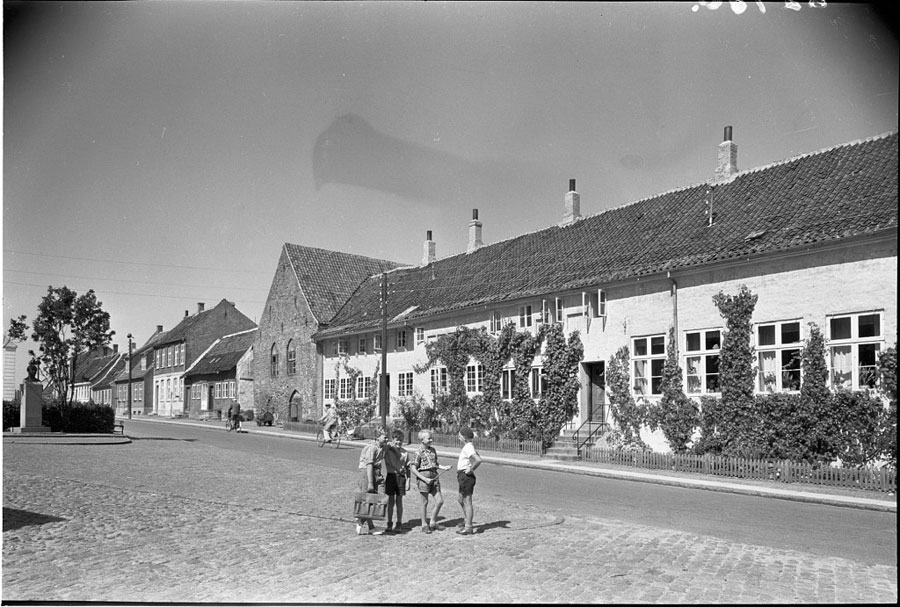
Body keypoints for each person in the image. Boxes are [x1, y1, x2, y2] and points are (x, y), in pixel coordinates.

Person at [408, 429, 451, 534]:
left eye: (431, 438)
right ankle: (424, 524)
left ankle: (432, 522)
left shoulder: (433, 450)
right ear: (422, 440)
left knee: (440, 501)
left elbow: (435, 464)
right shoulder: (418, 453)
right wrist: (424, 479)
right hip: (424, 479)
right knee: (424, 502)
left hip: (434, 477)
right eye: (429, 438)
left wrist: (444, 467)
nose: (431, 440)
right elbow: (413, 468)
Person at [355, 428, 388, 536]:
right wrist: (370, 482)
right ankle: (370, 526)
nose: (387, 439)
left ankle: (361, 519)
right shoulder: (372, 448)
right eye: (385, 437)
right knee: (368, 498)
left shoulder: (381, 447)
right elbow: (369, 465)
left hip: (377, 472)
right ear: (377, 437)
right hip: (367, 472)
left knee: (380, 497)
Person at [455, 426, 483, 535]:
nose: (459, 437)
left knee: (467, 501)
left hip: (466, 477)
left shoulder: (468, 447)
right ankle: (467, 520)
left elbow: (478, 459)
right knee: (460, 500)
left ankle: (469, 526)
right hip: (462, 476)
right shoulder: (469, 446)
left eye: (460, 436)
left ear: (464, 437)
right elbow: (476, 456)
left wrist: (471, 470)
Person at [383, 429, 410, 533]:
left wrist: (408, 480)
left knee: (399, 501)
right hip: (391, 476)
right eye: (396, 440)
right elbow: (382, 447)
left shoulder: (405, 452)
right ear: (393, 440)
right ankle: (389, 523)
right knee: (390, 502)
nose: (399, 442)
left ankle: (399, 522)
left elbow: (408, 466)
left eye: (401, 441)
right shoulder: (388, 450)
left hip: (401, 477)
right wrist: (393, 448)